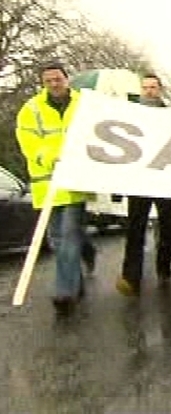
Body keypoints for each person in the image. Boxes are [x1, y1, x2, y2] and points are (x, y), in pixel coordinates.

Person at [16, 63, 95, 315]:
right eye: (48, 80)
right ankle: (80, 269)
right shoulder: (31, 109)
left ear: (66, 79)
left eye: (57, 79)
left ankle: (64, 292)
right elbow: (27, 141)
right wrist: (50, 156)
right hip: (46, 184)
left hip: (74, 182)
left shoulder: (84, 104)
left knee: (68, 235)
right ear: (43, 83)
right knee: (57, 239)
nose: (53, 84)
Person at [116, 74, 171, 296]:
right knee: (135, 229)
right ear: (141, 90)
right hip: (139, 180)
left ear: (160, 90)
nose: (149, 91)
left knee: (169, 228)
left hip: (165, 179)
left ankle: (164, 268)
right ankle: (131, 277)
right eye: (146, 87)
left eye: (153, 87)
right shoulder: (130, 114)